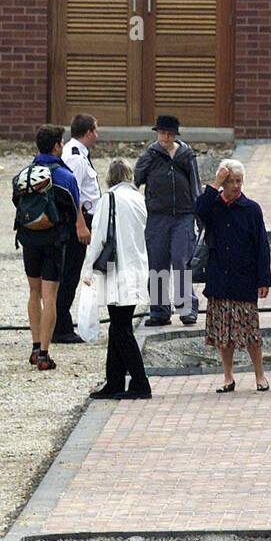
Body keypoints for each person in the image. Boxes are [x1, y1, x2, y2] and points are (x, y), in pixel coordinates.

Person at [194, 159, 271, 393]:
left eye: (239, 181)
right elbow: (199, 210)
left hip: (244, 278)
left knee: (251, 332)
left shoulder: (251, 209)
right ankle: (228, 376)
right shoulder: (214, 206)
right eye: (231, 182)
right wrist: (215, 183)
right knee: (223, 334)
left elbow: (262, 245)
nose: (236, 186)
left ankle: (260, 374)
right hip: (219, 278)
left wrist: (264, 279)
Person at [19, 125, 89, 370]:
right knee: (50, 297)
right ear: (57, 145)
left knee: (33, 293)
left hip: (29, 239)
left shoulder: (26, 173)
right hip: (53, 241)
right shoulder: (65, 176)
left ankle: (34, 346)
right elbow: (75, 207)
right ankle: (45, 354)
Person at [83, 159, 151, 400]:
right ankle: (114, 381)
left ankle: (140, 383)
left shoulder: (108, 199)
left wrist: (88, 268)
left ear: (110, 177)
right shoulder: (138, 199)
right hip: (138, 267)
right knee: (118, 325)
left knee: (121, 328)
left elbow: (99, 236)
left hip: (117, 270)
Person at [136, 114, 200, 326]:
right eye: (162, 133)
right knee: (157, 263)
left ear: (175, 135)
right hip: (157, 217)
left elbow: (195, 187)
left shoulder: (186, 155)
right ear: (157, 133)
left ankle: (186, 308)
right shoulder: (150, 155)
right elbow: (135, 179)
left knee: (181, 261)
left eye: (169, 133)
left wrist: (199, 215)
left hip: (183, 215)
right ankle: (159, 310)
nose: (165, 137)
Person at [56, 114, 102, 343]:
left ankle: (59, 323)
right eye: (96, 130)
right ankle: (60, 327)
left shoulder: (79, 153)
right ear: (89, 132)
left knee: (71, 272)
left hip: (82, 219)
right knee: (69, 273)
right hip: (78, 222)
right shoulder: (75, 157)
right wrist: (80, 225)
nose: (97, 135)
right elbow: (72, 194)